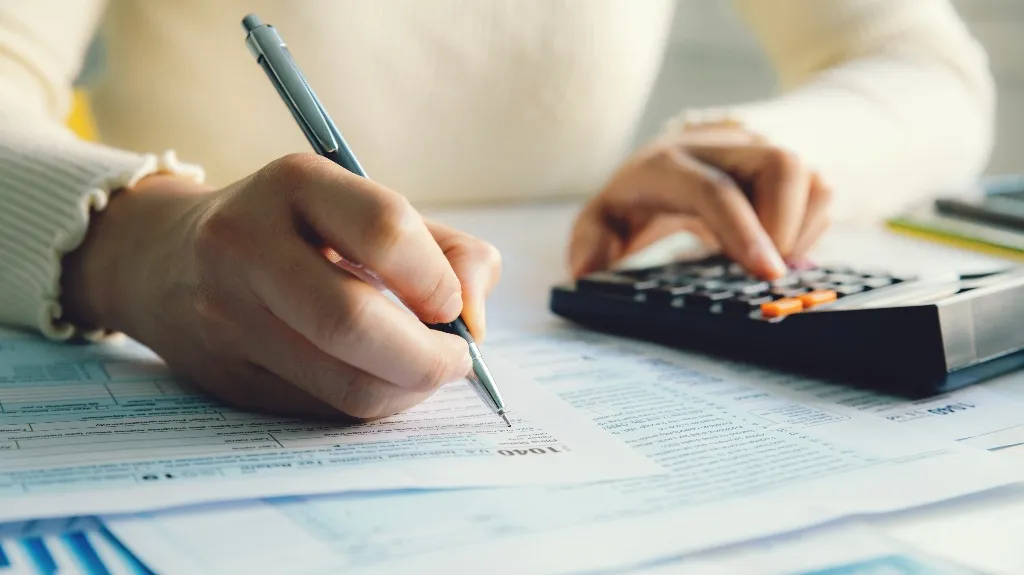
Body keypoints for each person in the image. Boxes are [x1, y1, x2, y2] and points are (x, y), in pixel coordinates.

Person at [0, 1, 993, 420]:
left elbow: (924, 66)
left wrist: (780, 151)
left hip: (564, 313)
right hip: (178, 333)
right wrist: (136, 237)